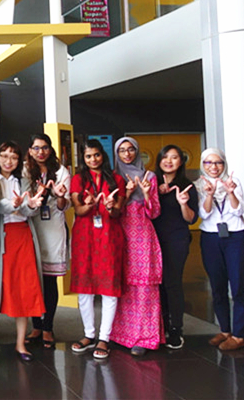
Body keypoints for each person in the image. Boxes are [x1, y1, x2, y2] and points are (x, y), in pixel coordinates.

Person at [69, 139, 125, 360]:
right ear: (83, 158)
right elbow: (78, 210)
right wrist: (89, 205)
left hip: (109, 236)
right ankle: (89, 334)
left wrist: (110, 207)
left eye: (96, 155)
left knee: (109, 287)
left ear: (103, 155)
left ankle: (104, 338)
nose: (93, 159)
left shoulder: (117, 179)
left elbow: (118, 212)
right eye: (88, 156)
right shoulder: (78, 179)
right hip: (84, 237)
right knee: (85, 287)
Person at [0, 141, 45, 362]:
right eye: (4, 156)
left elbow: (30, 211)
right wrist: (13, 204)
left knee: (24, 288)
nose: (8, 161)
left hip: (22, 236)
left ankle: (21, 343)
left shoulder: (23, 181)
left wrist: (31, 205)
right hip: (1, 238)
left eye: (14, 157)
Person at [109, 137, 163, 356]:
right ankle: (120, 334)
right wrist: (128, 193)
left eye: (131, 149)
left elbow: (155, 212)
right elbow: (112, 211)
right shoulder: (113, 177)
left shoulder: (149, 176)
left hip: (143, 235)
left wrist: (147, 193)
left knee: (144, 285)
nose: (127, 154)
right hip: (119, 234)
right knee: (122, 285)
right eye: (122, 150)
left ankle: (145, 337)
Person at [195, 148, 244, 351]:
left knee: (238, 286)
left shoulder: (233, 182)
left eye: (218, 162)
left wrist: (230, 192)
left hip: (235, 237)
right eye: (208, 163)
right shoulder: (199, 185)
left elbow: (239, 210)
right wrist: (209, 194)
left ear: (224, 164)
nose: (213, 167)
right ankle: (225, 330)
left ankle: (239, 335)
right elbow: (204, 214)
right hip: (210, 238)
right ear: (203, 164)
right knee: (217, 286)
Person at [22, 134, 70, 349]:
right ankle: (36, 326)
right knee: (33, 280)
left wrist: (59, 195)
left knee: (49, 282)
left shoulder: (60, 172)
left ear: (50, 149)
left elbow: (63, 206)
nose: (40, 152)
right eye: (36, 148)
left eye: (44, 148)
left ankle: (48, 327)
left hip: (53, 228)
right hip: (31, 227)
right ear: (30, 150)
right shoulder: (24, 170)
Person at [152, 144, 198, 349]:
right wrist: (153, 192)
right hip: (153, 240)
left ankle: (176, 329)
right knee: (158, 284)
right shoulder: (151, 183)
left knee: (172, 282)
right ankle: (161, 325)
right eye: (165, 157)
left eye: (174, 157)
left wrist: (182, 203)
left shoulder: (187, 186)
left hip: (176, 240)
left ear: (181, 162)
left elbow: (191, 219)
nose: (169, 161)